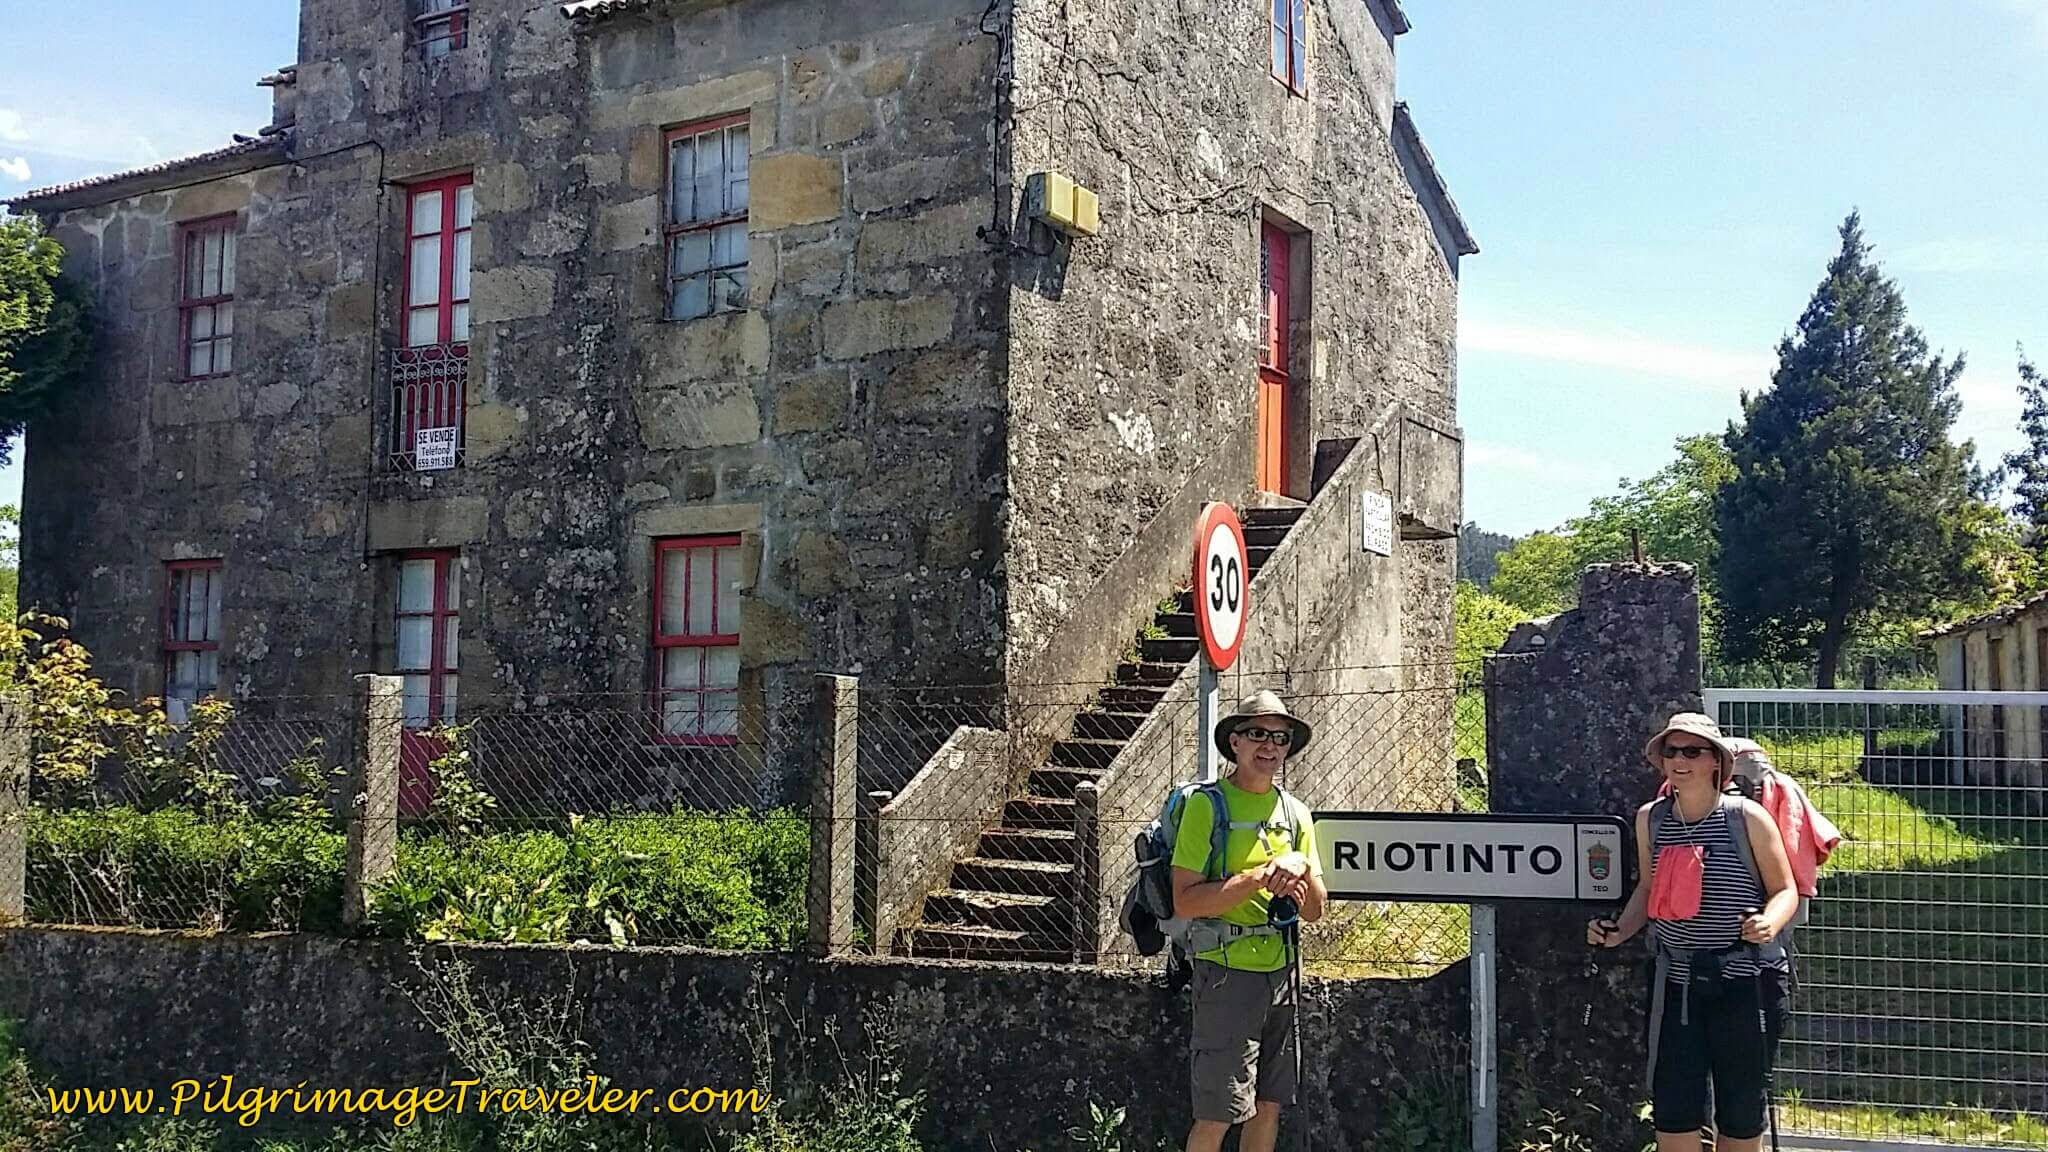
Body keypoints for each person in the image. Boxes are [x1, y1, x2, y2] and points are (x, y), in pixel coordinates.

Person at [1587, 713, 1801, 1152]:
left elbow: (1785, 890)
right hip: (1677, 982)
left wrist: (1769, 923)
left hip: (1747, 981)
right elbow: (1648, 890)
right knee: (1674, 1107)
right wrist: (1617, 931)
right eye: (1671, 751)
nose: (1679, 760)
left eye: (1692, 751)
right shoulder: (1650, 820)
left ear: (1715, 762)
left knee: (1741, 1110)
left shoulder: (1749, 818)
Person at [1171, 690, 1328, 1152]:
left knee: (1269, 1103)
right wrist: (1260, 876)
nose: (1270, 745)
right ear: (1234, 743)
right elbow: (1186, 901)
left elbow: (1316, 909)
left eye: (1280, 737)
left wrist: (1299, 868)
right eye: (1257, 733)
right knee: (1219, 1111)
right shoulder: (1208, 807)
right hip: (1224, 973)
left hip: (1281, 974)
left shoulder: (1296, 813)